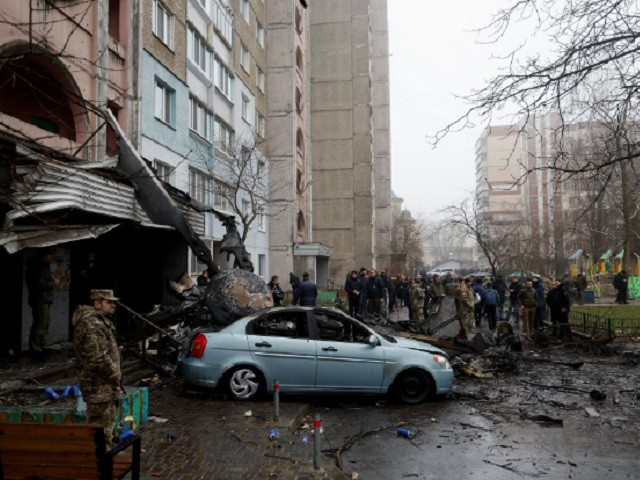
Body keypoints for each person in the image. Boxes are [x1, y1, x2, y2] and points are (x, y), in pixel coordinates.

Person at [72, 290, 122, 449]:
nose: (113, 305)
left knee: (103, 423)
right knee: (100, 426)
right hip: (99, 385)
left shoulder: (99, 321)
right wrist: (115, 373)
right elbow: (98, 357)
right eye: (109, 302)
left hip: (102, 385)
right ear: (97, 303)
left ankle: (101, 457)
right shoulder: (93, 324)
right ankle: (101, 462)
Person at [26, 248, 58, 355]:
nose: (51, 257)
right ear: (43, 256)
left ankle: (43, 345)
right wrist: (53, 282)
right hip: (39, 300)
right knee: (39, 324)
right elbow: (40, 284)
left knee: (46, 323)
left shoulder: (45, 268)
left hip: (46, 299)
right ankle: (35, 348)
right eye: (49, 255)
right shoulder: (35, 268)